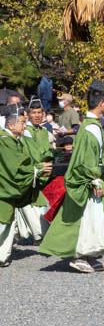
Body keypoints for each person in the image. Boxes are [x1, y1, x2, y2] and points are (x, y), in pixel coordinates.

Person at [39, 80, 104, 273]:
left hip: (93, 180)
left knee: (97, 218)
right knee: (89, 218)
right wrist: (95, 179)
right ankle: (81, 256)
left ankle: (90, 255)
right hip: (90, 182)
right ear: (102, 103)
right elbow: (88, 161)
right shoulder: (90, 129)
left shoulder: (91, 125)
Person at [0, 105, 52, 267]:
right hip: (3, 191)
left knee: (7, 223)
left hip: (6, 191)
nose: (24, 125)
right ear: (10, 125)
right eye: (22, 122)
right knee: (3, 223)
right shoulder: (5, 142)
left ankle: (3, 256)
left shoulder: (12, 140)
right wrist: (37, 169)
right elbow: (16, 168)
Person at [16, 97, 54, 244]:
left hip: (45, 170)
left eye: (39, 112)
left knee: (42, 203)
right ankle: (39, 234)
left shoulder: (44, 131)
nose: (37, 115)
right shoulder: (26, 132)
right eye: (34, 112)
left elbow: (48, 150)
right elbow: (33, 153)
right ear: (28, 114)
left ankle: (41, 233)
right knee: (33, 204)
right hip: (33, 171)